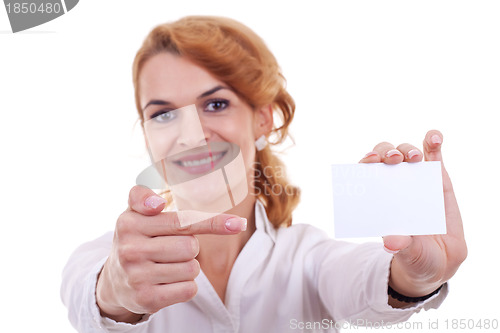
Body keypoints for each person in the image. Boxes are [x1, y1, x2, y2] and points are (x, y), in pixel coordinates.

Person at [61, 16, 467, 333]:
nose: (191, 135)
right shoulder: (108, 258)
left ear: (262, 119)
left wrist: (415, 277)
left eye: (215, 104)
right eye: (163, 114)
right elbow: (90, 295)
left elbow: (362, 279)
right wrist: (115, 289)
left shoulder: (308, 258)